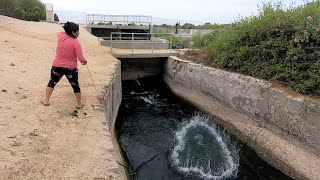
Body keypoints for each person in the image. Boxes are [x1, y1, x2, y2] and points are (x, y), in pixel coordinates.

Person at [42, 21, 87, 109]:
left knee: (52, 82)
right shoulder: (76, 43)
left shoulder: (61, 36)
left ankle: (46, 101)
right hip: (70, 68)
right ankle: (78, 104)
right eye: (78, 31)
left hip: (57, 66)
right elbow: (80, 58)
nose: (79, 33)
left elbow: (60, 32)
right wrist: (84, 61)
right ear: (73, 32)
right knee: (75, 85)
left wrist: (67, 28)